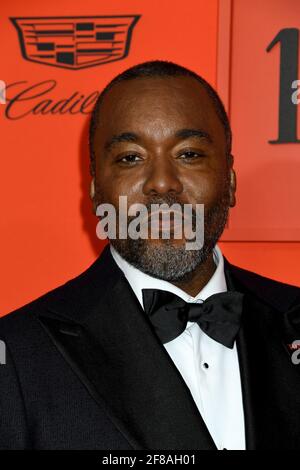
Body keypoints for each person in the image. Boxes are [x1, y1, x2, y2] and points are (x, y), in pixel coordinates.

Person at [0, 60, 299, 451]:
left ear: (229, 181)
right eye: (130, 157)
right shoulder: (19, 355)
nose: (162, 183)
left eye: (189, 154)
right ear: (95, 190)